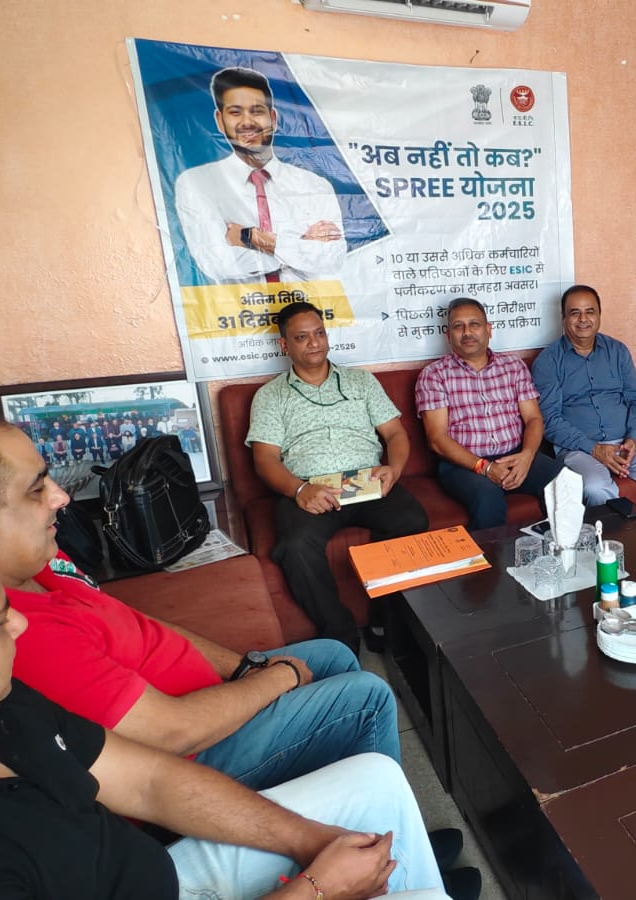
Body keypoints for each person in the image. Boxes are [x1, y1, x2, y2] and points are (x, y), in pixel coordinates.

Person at [0, 413, 482, 897]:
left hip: (203, 702)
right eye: (38, 488)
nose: (61, 496)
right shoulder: (18, 631)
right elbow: (171, 735)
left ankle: (382, 836)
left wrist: (244, 666)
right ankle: (389, 864)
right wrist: (275, 678)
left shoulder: (42, 562)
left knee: (332, 654)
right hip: (194, 750)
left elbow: (140, 625)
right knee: (364, 697)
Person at [0, 507, 447, 899]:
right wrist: (316, 887)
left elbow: (149, 781)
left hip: (151, 870)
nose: (19, 626)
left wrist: (314, 840)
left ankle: (399, 867)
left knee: (376, 781)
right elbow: (168, 739)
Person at [248, 301, 430, 651]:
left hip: (367, 481)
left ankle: (384, 620)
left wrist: (394, 469)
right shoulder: (270, 396)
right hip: (310, 488)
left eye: (319, 333)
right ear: (284, 345)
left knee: (412, 520)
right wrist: (298, 489)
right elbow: (265, 460)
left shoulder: (361, 381)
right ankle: (341, 635)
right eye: (302, 337)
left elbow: (395, 434)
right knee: (295, 547)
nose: (314, 343)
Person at [174, 66, 345, 285]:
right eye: (235, 112)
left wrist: (250, 237)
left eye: (257, 111)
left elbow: (331, 259)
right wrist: (299, 245)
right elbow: (218, 262)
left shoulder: (314, 185)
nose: (247, 122)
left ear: (273, 118)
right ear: (220, 120)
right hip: (242, 306)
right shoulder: (196, 183)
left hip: (310, 305)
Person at [531, 284, 636, 518]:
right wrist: (594, 449)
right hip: (578, 449)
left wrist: (633, 439)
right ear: (563, 318)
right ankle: (614, 540)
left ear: (599, 315)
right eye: (575, 313)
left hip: (627, 445)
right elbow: (549, 421)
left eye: (590, 311)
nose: (583, 319)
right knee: (595, 487)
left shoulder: (618, 351)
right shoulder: (548, 361)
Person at [417, 297, 564, 529]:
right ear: (448, 335)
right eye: (458, 326)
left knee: (565, 482)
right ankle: (493, 555)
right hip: (463, 464)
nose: (467, 332)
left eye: (474, 324)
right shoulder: (434, 375)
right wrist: (484, 467)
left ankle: (558, 547)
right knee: (487, 498)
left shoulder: (513, 367)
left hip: (515, 454)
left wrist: (527, 456)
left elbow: (534, 418)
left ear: (488, 329)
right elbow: (437, 439)